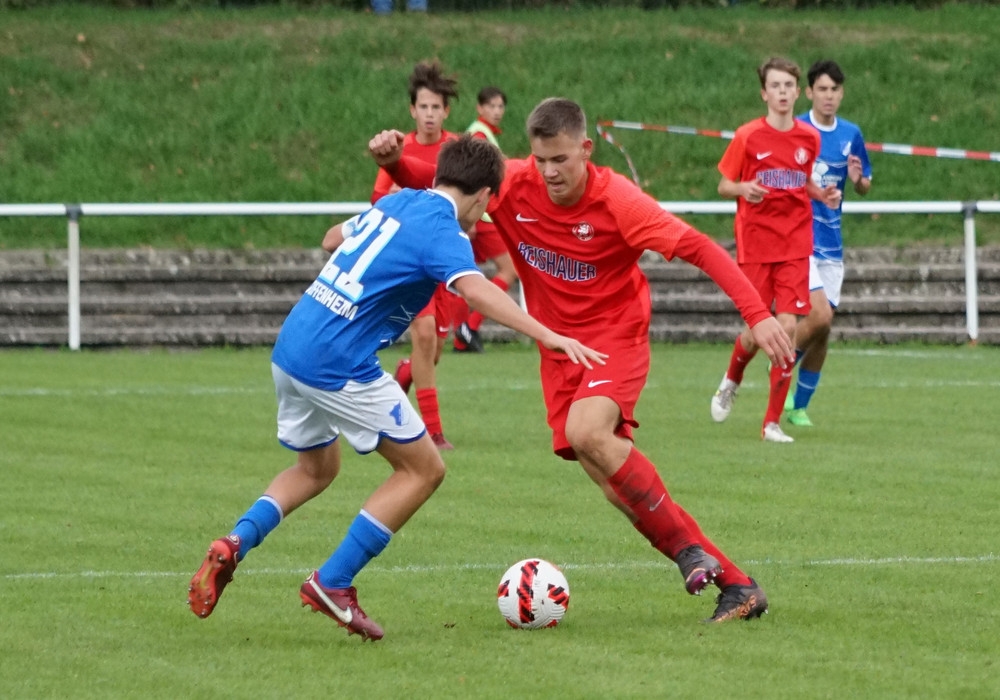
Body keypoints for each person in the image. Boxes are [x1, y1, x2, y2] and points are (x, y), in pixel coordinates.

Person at [369, 97, 796, 623]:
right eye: (541, 159)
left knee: (588, 431)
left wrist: (757, 314)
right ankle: (737, 584)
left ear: (586, 150)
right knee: (614, 487)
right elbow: (435, 181)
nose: (549, 172)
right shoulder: (515, 181)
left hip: (616, 336)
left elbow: (700, 248)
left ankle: (690, 553)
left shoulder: (619, 200)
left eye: (562, 160)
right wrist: (391, 162)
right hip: (558, 349)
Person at [187, 135, 606, 642]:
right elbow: (474, 289)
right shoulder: (446, 231)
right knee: (424, 469)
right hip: (337, 361)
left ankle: (234, 542)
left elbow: (329, 238)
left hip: (294, 343)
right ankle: (332, 582)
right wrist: (549, 334)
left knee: (316, 468)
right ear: (483, 197)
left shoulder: (397, 202)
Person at [709, 56, 842, 444]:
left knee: (785, 328)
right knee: (756, 333)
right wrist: (742, 189)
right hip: (755, 245)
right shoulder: (748, 136)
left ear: (797, 92)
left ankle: (770, 424)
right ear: (764, 93)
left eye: (788, 86)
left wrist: (824, 194)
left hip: (795, 245)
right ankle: (732, 377)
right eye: (776, 86)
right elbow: (723, 185)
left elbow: (802, 184)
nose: (783, 92)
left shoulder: (808, 138)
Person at [370, 61, 460, 450]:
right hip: (410, 259)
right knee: (422, 335)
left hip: (445, 260)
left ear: (446, 112)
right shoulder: (397, 149)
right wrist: (396, 198)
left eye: (435, 107)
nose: (428, 114)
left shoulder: (456, 150)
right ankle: (433, 433)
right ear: (412, 110)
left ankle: (394, 390)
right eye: (422, 107)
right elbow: (377, 199)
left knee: (433, 351)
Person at [785, 59, 872, 427]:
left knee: (824, 328)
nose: (829, 96)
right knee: (819, 315)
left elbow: (865, 183)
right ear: (809, 93)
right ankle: (781, 366)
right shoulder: (796, 129)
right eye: (822, 89)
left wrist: (857, 179)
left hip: (832, 244)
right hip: (799, 239)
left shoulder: (851, 133)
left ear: (841, 93)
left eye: (834, 90)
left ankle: (797, 406)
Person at [452, 86, 520, 353]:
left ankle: (461, 334)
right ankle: (469, 326)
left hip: (478, 213)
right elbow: (480, 176)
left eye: (500, 106)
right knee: (510, 270)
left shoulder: (483, 132)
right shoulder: (480, 134)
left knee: (463, 273)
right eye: (491, 106)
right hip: (484, 215)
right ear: (480, 108)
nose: (497, 111)